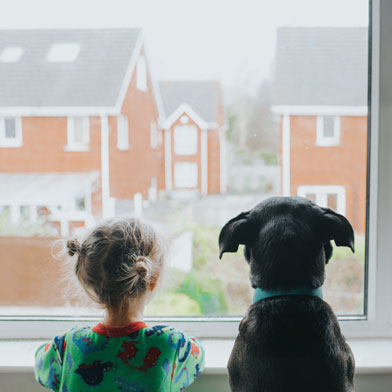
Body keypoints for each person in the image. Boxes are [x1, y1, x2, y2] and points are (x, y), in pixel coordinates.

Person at [34, 218, 204, 391]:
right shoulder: (172, 344)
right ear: (152, 279)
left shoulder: (68, 346)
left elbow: (41, 366)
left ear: (87, 282)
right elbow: (199, 359)